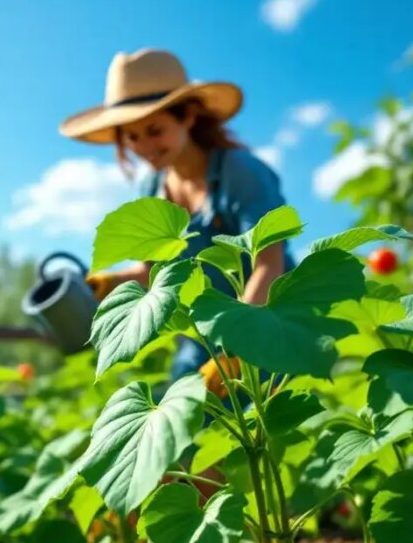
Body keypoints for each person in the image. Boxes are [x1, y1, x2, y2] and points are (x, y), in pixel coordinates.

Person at [58, 48, 295, 392]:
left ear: (188, 116)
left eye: (154, 130)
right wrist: (109, 282)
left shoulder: (241, 174)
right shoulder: (151, 188)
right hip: (201, 339)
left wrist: (239, 346)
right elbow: (152, 271)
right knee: (180, 424)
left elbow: (269, 265)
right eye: (132, 136)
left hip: (269, 323)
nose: (144, 147)